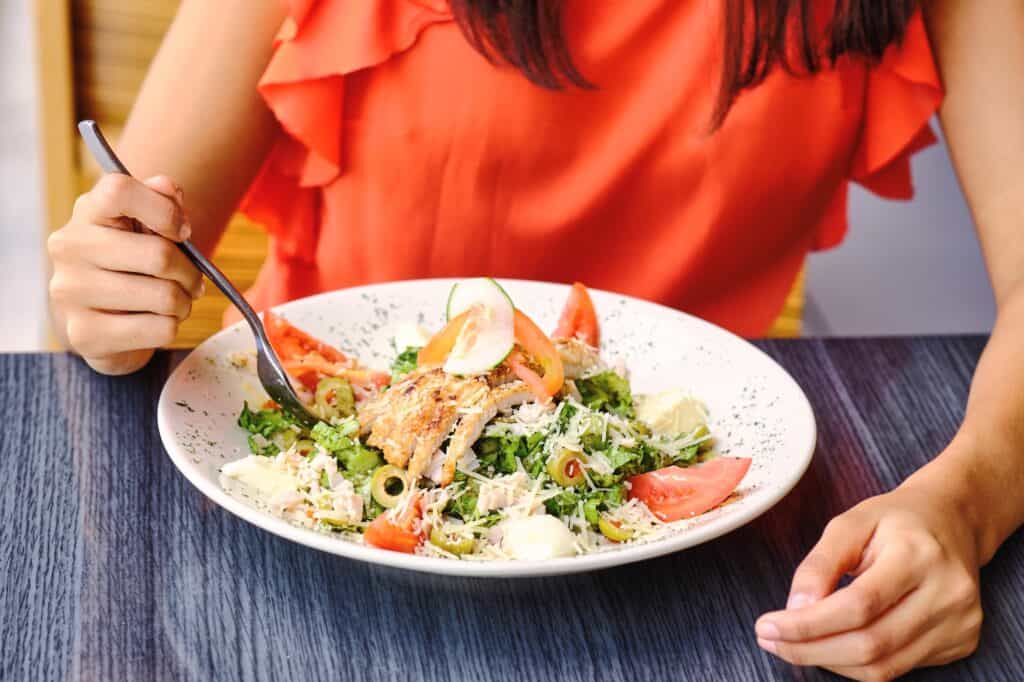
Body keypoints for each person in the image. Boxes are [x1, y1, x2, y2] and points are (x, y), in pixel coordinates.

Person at [46, 1, 1024, 678]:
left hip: (700, 565)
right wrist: (110, 295)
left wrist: (966, 497)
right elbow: (133, 251)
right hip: (303, 537)